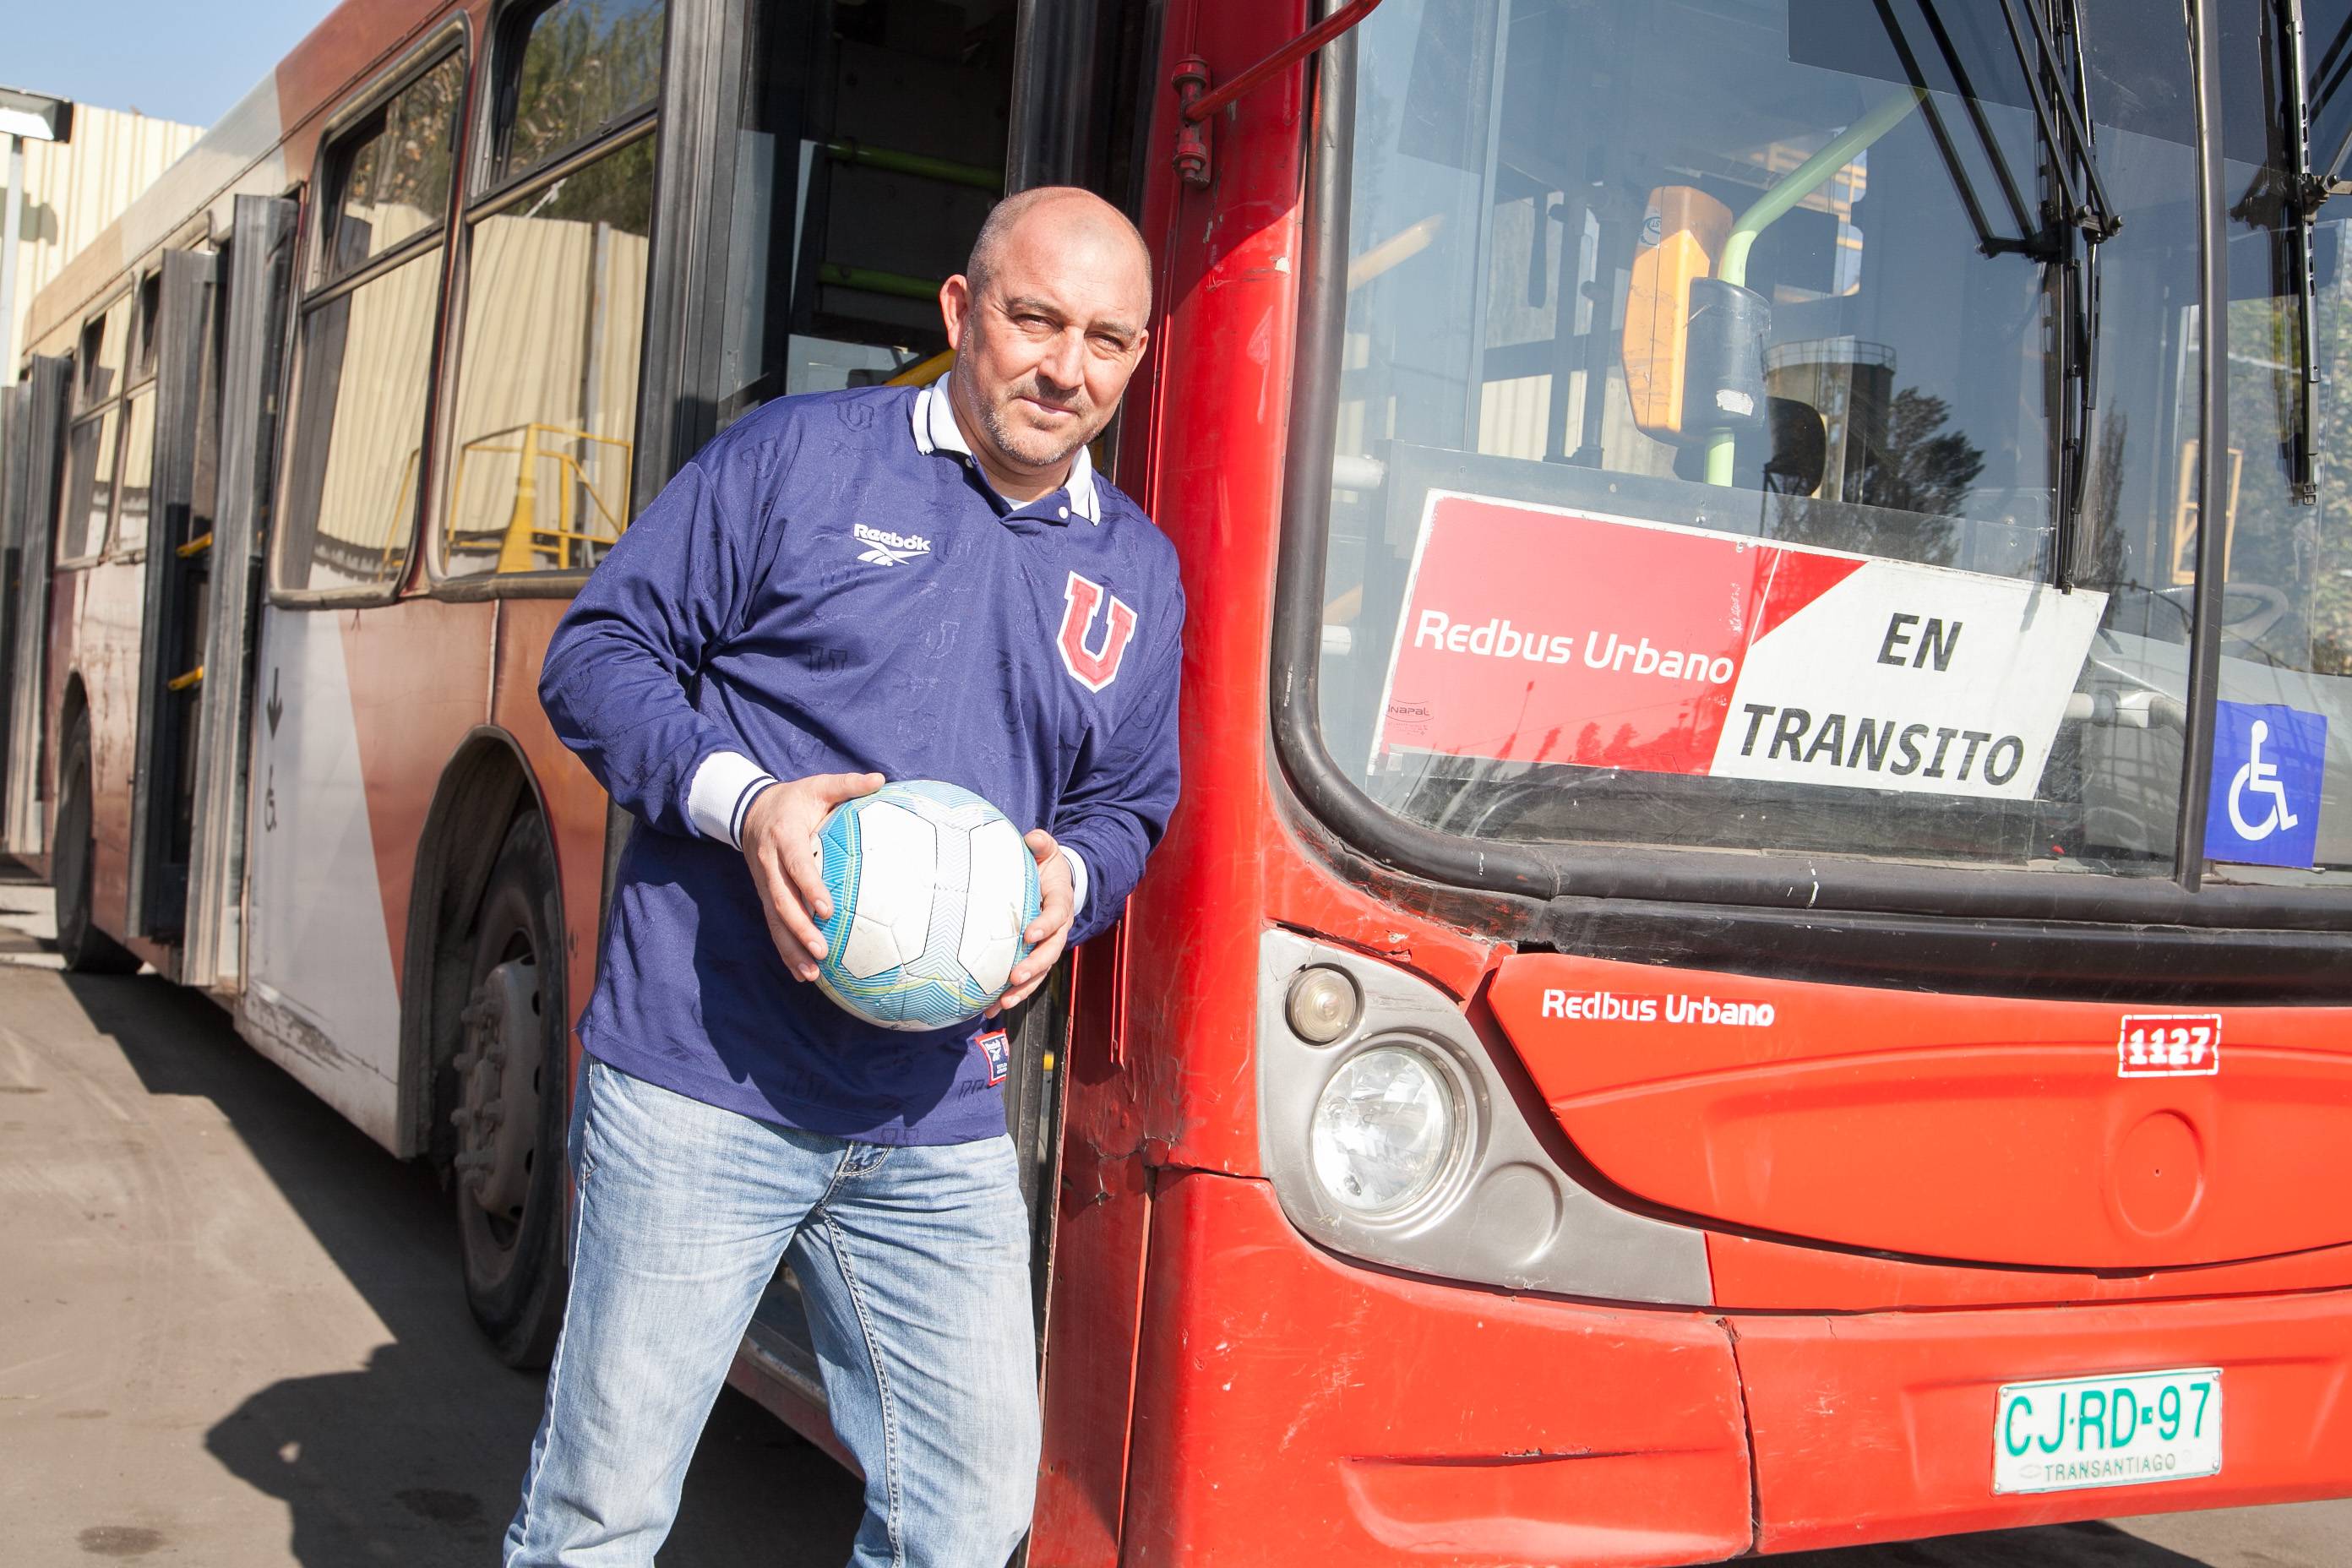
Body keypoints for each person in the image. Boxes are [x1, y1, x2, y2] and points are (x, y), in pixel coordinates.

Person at [508, 185, 1184, 1567]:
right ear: (958, 312)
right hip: (706, 1076)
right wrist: (745, 805)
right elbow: (596, 659)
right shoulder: (800, 460)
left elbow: (1128, 803)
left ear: (1137, 358)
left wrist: (1076, 881)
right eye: (1035, 319)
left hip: (932, 1115)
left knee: (971, 1518)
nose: (1066, 368)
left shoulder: (1139, 572)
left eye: (1107, 341)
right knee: (601, 1515)